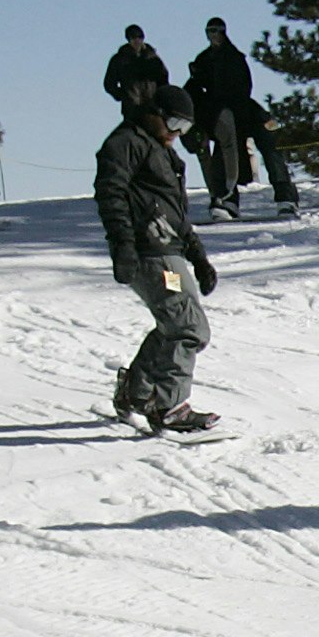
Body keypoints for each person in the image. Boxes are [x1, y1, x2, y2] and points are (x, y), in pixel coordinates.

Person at [94, 85, 221, 435]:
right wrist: (123, 246)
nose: (177, 134)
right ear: (154, 113)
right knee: (188, 328)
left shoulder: (161, 151)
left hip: (169, 250)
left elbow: (175, 212)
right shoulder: (126, 142)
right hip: (148, 252)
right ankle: (169, 406)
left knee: (175, 325)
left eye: (186, 128)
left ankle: (135, 393)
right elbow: (110, 193)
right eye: (175, 122)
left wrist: (198, 255)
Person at [185, 17, 300, 220]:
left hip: (245, 110)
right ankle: (226, 199)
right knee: (224, 150)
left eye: (217, 31)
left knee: (270, 145)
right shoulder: (203, 60)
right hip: (222, 113)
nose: (213, 36)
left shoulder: (234, 57)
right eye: (210, 31)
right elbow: (194, 88)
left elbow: (245, 86)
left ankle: (286, 197)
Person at [103, 24, 169, 109]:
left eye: (139, 37)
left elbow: (163, 78)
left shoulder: (153, 58)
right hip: (131, 107)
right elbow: (109, 83)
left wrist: (160, 97)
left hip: (152, 106)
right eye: (133, 38)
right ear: (129, 40)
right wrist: (124, 96)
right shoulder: (119, 60)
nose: (137, 41)